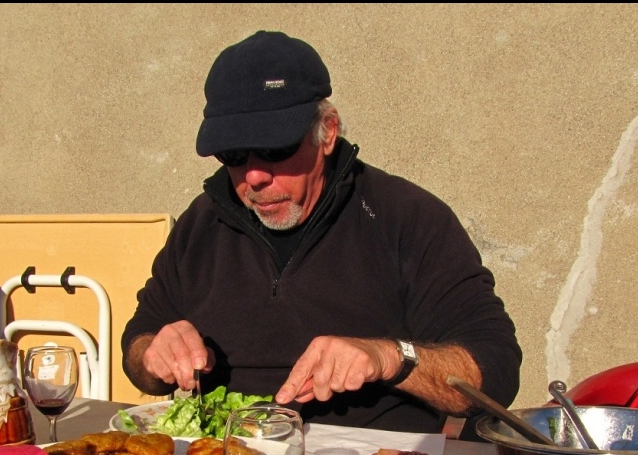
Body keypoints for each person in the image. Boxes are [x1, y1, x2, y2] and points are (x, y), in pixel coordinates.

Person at [122, 31, 521, 433]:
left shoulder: (406, 217)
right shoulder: (202, 221)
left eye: (276, 149)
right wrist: (155, 354)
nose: (255, 175)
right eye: (233, 155)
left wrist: (386, 358)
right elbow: (138, 345)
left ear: (327, 132)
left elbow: (494, 370)